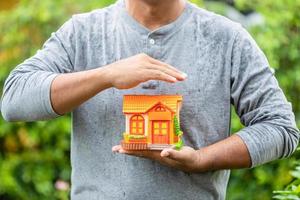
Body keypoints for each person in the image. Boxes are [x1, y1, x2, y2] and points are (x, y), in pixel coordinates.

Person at [1, 0, 299, 199]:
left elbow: (280, 128)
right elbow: (14, 98)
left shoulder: (227, 39)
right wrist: (106, 75)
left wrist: (200, 159)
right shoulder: (82, 33)